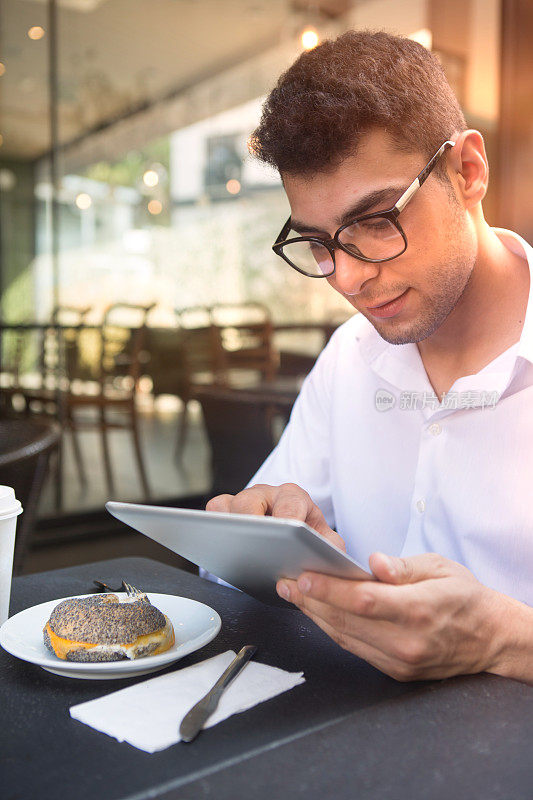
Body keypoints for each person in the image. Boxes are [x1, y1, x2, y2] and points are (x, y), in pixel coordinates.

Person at [207, 31, 533, 683]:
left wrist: (502, 639)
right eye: (319, 243)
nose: (346, 281)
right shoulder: (348, 357)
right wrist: (262, 529)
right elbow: (235, 567)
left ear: (467, 172)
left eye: (377, 221)